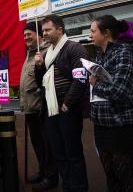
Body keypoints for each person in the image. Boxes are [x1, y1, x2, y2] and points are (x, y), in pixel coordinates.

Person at [35, 14, 89, 191]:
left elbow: (80, 79)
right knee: (59, 153)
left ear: (60, 29)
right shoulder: (46, 54)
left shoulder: (75, 48)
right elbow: (41, 83)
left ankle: (79, 187)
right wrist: (39, 66)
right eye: (43, 30)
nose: (44, 33)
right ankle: (68, 186)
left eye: (48, 29)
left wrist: (67, 104)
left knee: (73, 153)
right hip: (51, 112)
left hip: (68, 110)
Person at [89, 15, 133, 191]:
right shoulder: (100, 55)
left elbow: (119, 90)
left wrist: (95, 85)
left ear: (106, 33)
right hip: (101, 125)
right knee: (111, 176)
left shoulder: (125, 53)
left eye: (93, 31)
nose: (90, 35)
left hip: (120, 126)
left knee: (126, 178)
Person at [20, 21, 58, 189]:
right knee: (37, 144)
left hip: (41, 107)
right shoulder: (28, 54)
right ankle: (43, 171)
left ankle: (51, 177)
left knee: (47, 144)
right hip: (29, 108)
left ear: (39, 35)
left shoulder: (46, 52)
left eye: (29, 33)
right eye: (24, 35)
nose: (26, 37)